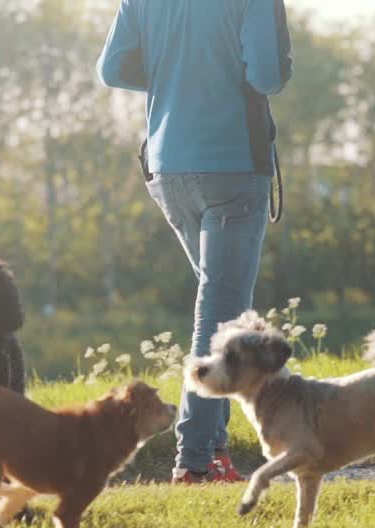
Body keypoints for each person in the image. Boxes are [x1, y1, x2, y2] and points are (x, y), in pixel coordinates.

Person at [97, 0, 291, 484]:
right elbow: (267, 76)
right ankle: (197, 458)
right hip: (231, 167)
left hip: (167, 168)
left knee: (219, 308)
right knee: (221, 314)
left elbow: (113, 68)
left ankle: (214, 453)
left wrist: (178, 73)